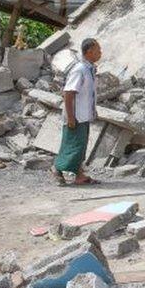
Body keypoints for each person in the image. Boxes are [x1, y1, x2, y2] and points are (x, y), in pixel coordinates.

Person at [51, 38, 102, 185]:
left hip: (84, 116)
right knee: (71, 146)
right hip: (76, 116)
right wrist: (71, 117)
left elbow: (89, 95)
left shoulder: (89, 69)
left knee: (80, 147)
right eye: (98, 50)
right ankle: (57, 170)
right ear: (89, 51)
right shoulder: (79, 70)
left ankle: (79, 175)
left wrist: (93, 111)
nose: (100, 53)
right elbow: (68, 93)